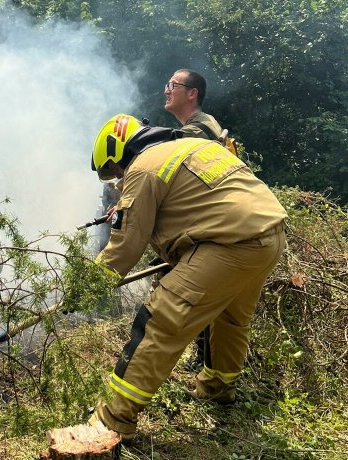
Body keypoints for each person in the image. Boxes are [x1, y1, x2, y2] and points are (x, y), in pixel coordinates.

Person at [88, 114, 287, 440]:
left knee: (159, 322)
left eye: (114, 171)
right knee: (230, 320)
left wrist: (87, 285)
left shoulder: (143, 167)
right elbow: (201, 205)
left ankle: (112, 420)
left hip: (227, 245)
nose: (117, 179)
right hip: (269, 237)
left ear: (121, 152)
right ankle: (217, 388)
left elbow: (125, 247)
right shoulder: (193, 146)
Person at [164, 68, 224, 371]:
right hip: (207, 221)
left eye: (173, 85)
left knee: (194, 291)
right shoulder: (195, 126)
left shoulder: (201, 128)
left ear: (192, 93)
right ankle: (206, 358)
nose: (166, 90)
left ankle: (207, 361)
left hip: (211, 225)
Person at [165, 68, 223, 140]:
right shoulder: (208, 120)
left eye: (172, 85)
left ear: (192, 94)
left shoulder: (192, 134)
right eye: (167, 86)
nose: (166, 92)